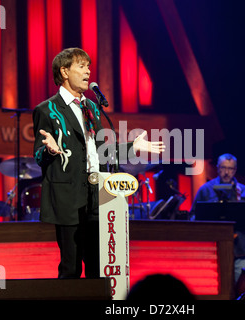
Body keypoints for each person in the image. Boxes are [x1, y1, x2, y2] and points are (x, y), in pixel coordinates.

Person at [33, 47, 165, 279]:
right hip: (68, 196)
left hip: (97, 194)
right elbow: (38, 155)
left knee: (97, 265)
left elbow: (103, 151)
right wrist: (50, 150)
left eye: (89, 67)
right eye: (81, 67)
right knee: (71, 267)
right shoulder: (47, 109)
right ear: (64, 71)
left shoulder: (92, 107)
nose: (88, 72)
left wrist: (132, 147)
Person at [190, 153, 245, 283]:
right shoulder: (205, 190)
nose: (226, 172)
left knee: (240, 288)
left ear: (235, 170)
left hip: (240, 250)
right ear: (218, 168)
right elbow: (193, 216)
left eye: (230, 169)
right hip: (212, 249)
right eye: (223, 168)